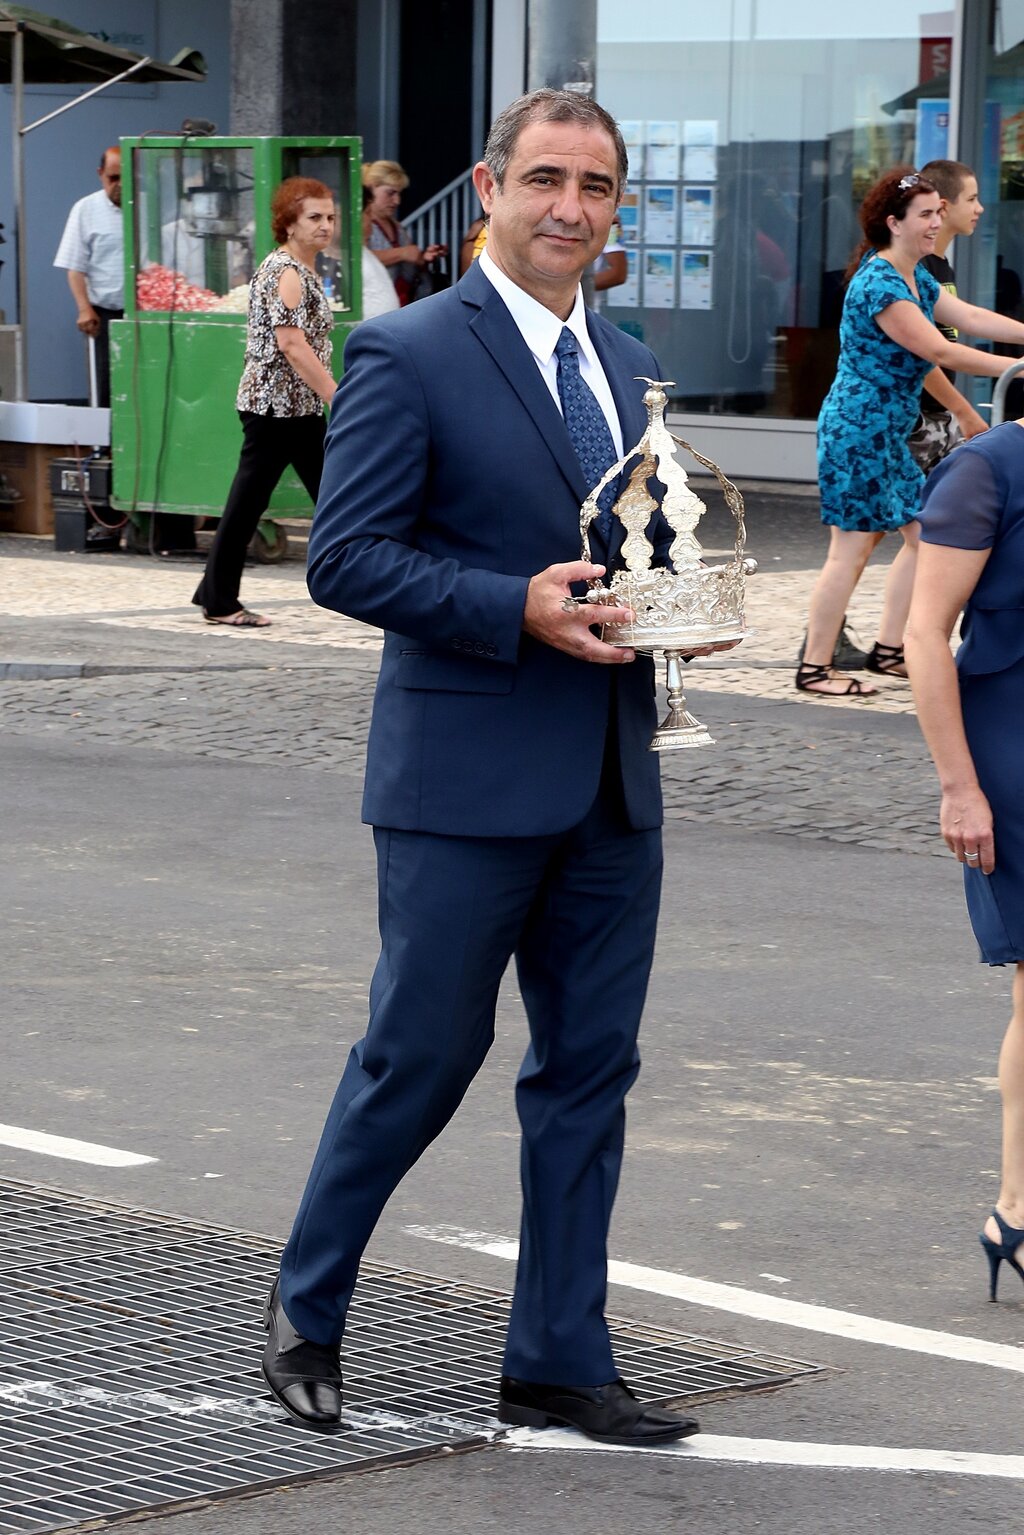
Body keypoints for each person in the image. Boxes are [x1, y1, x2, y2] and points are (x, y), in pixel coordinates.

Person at [262, 88, 733, 1446]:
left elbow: (627, 546)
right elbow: (347, 558)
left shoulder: (630, 362)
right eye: (545, 180)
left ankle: (559, 1357)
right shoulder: (406, 348)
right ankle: (306, 1308)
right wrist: (508, 606)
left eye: (595, 186)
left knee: (589, 1071)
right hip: (463, 779)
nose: (569, 209)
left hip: (613, 779)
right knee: (419, 1054)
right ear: (490, 188)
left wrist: (675, 606)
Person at [796, 167, 1024, 699]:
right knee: (850, 551)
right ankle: (814, 667)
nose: (936, 222)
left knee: (925, 539)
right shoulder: (879, 282)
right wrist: (1017, 367)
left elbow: (968, 317)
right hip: (859, 432)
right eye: (926, 214)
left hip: (888, 432)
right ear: (893, 223)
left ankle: (890, 648)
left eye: (939, 212)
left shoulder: (912, 274)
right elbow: (940, 350)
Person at [904, 419, 1024, 1300]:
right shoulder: (988, 470)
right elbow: (923, 633)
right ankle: (1018, 1205)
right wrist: (959, 786)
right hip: (1012, 746)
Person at [191, 177, 337, 628]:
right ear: (289, 223)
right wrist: (337, 395)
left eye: (330, 217)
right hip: (276, 409)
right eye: (314, 217)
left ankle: (215, 594)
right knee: (321, 497)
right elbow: (291, 344)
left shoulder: (301, 268)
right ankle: (219, 600)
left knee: (332, 494)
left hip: (296, 408)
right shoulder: (286, 272)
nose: (325, 225)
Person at [908, 159, 989, 475]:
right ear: (944, 206)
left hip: (937, 417)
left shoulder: (940, 269)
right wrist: (963, 411)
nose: (979, 208)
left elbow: (972, 318)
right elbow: (927, 353)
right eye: (971, 199)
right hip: (914, 420)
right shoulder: (915, 268)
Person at [54, 147, 123, 408]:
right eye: (113, 178)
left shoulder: (148, 205)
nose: (119, 185)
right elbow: (74, 266)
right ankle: (104, 435)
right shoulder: (86, 209)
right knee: (105, 383)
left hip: (145, 312)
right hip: (104, 312)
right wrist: (84, 309)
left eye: (126, 177)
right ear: (100, 174)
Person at [362, 160, 446, 305]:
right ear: (371, 189)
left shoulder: (396, 227)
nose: (397, 201)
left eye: (399, 194)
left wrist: (423, 257)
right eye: (390, 193)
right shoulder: (361, 226)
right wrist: (402, 253)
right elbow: (357, 259)